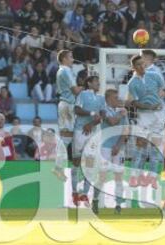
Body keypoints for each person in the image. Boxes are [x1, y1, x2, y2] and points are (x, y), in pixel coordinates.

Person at [127, 54, 165, 189]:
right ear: (133, 67)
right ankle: (134, 177)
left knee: (155, 148)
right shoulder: (132, 83)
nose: (142, 66)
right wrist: (148, 107)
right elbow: (133, 103)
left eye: (143, 63)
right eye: (139, 65)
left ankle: (152, 178)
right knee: (140, 145)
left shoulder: (154, 75)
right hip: (144, 116)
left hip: (158, 114)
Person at [92, 89, 128, 215]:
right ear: (108, 99)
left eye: (118, 97)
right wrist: (121, 114)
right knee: (102, 176)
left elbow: (125, 131)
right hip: (105, 147)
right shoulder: (103, 110)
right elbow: (112, 121)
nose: (118, 100)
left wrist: (118, 145)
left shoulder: (123, 111)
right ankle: (95, 199)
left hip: (119, 148)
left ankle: (118, 204)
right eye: (115, 98)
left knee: (119, 177)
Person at [71, 76, 105, 207]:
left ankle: (84, 194)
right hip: (80, 131)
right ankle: (74, 191)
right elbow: (77, 110)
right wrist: (91, 113)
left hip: (93, 132)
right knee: (77, 161)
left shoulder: (101, 98)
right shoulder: (83, 94)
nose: (98, 83)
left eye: (99, 82)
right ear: (89, 83)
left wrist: (91, 124)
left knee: (90, 163)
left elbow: (102, 115)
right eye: (96, 81)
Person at [53, 50, 83, 181]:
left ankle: (66, 167)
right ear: (64, 59)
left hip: (68, 106)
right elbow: (75, 90)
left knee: (72, 137)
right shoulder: (65, 71)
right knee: (66, 138)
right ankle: (58, 167)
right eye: (71, 57)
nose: (73, 59)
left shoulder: (63, 71)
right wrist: (86, 87)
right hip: (67, 106)